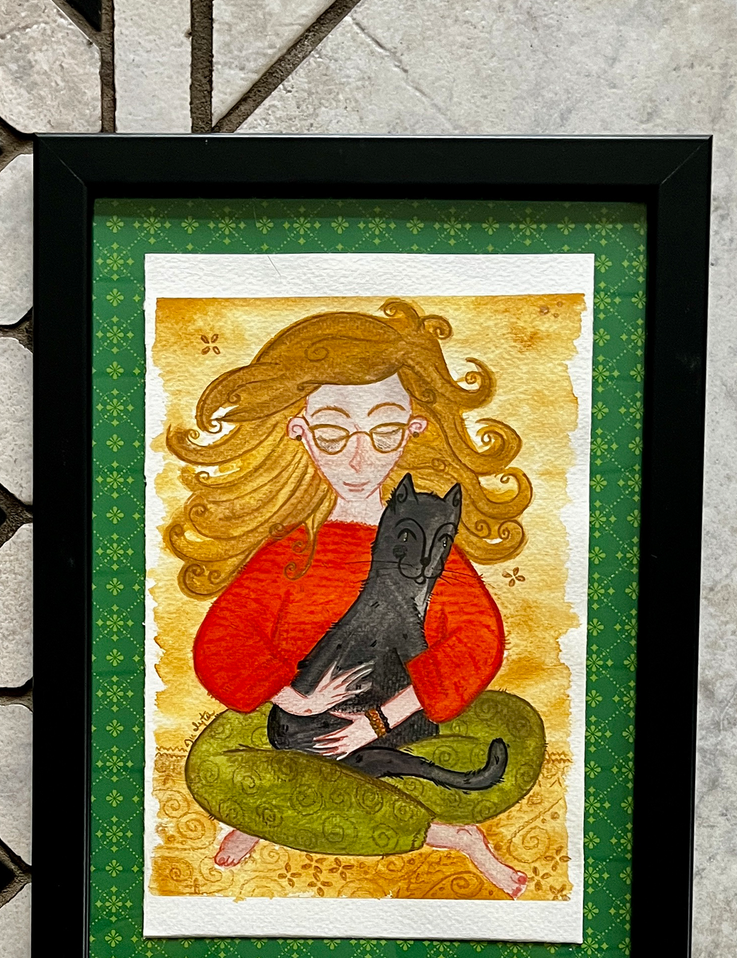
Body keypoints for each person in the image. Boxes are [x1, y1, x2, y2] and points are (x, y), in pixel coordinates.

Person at [168, 299, 544, 897]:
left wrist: (380, 719)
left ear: (414, 428)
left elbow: (476, 639)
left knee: (517, 729)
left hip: (401, 722)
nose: (360, 455)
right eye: (333, 432)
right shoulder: (294, 547)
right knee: (214, 766)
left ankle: (281, 810)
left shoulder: (422, 538)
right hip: (302, 726)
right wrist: (295, 697)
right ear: (299, 431)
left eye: (385, 429)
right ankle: (448, 834)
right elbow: (224, 638)